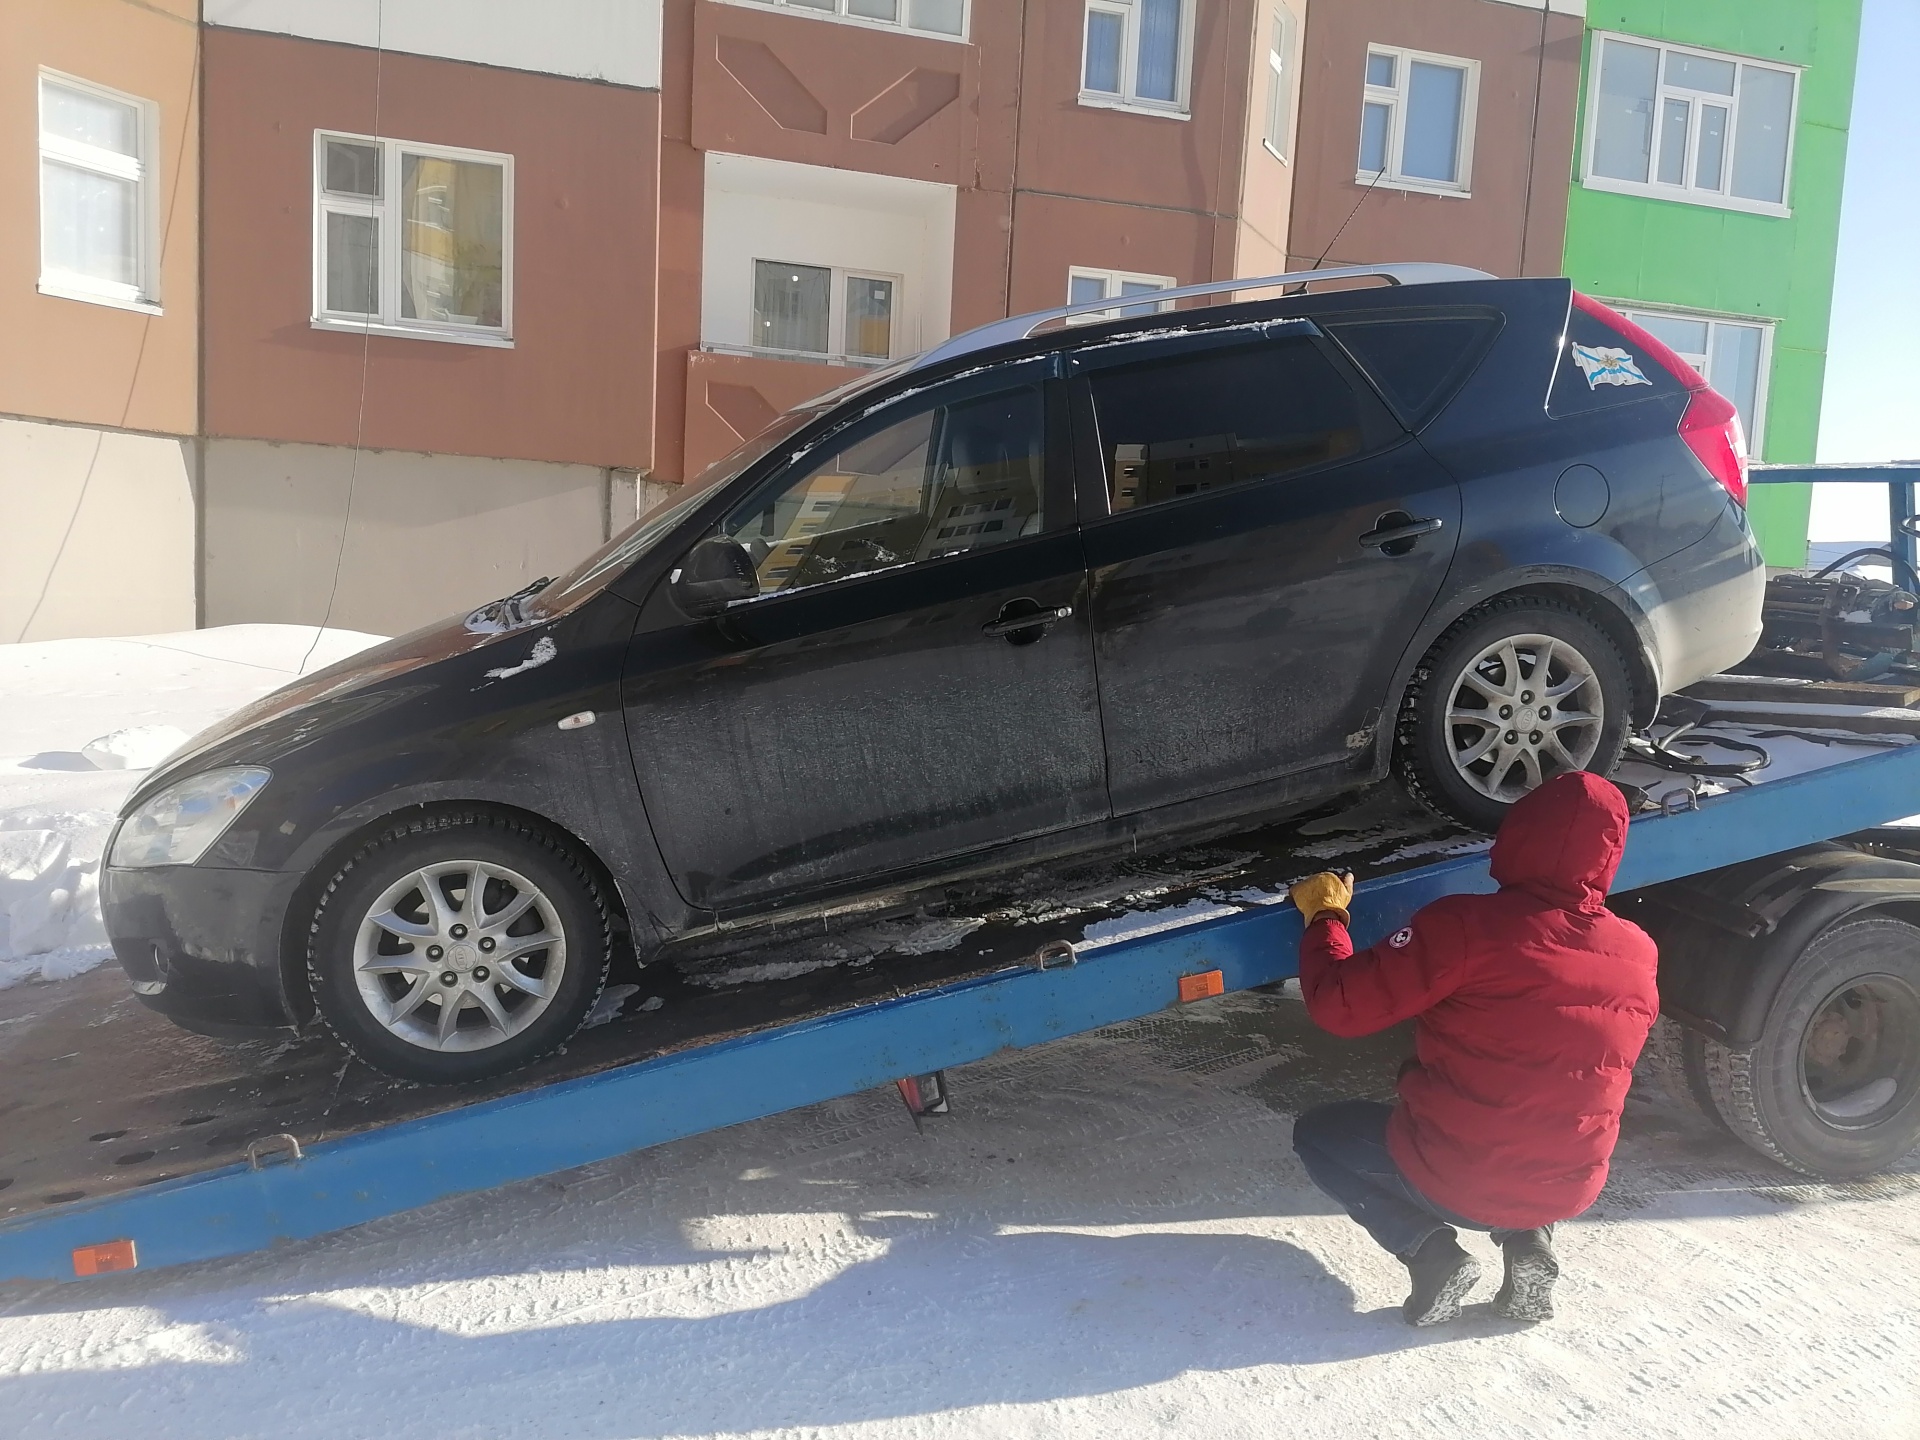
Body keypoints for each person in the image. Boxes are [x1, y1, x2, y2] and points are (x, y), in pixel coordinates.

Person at [1286, 771, 1658, 1327]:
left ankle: (1430, 1251)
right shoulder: (1638, 952)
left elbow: (1340, 1006)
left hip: (1457, 1181)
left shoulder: (1465, 925)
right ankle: (1529, 1243)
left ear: (1518, 834)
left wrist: (1327, 918)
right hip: (1569, 1185)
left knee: (1319, 1133)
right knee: (1545, 1107)